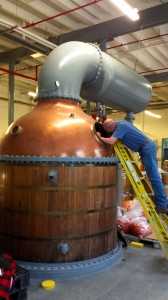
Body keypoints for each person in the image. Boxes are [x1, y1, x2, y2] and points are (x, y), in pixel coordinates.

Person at [97, 118, 168, 214]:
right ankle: (163, 203)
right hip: (145, 149)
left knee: (154, 177)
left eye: (108, 130)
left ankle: (162, 205)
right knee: (153, 177)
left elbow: (111, 141)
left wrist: (98, 137)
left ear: (110, 127)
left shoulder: (121, 126)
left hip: (146, 148)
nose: (109, 132)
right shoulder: (121, 124)